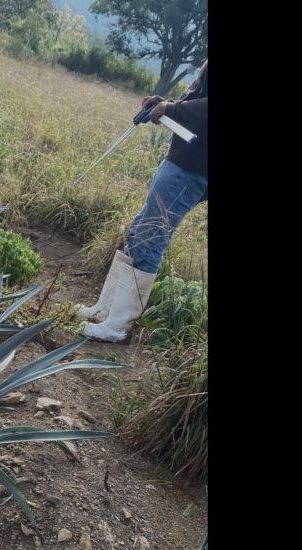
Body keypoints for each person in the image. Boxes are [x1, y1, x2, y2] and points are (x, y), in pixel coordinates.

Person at [78, 60, 208, 343]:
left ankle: (118, 326)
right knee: (139, 231)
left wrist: (172, 109)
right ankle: (105, 310)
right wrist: (167, 104)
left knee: (150, 237)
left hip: (192, 168)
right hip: (185, 162)